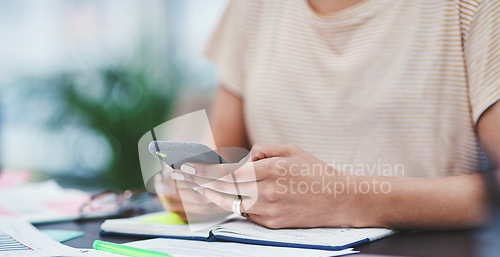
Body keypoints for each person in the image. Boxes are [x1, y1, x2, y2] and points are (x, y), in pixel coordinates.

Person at [158, 0, 500, 230]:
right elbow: (219, 153)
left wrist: (346, 199)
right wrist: (199, 187)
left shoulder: (471, 8)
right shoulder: (254, 7)